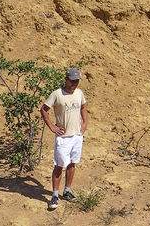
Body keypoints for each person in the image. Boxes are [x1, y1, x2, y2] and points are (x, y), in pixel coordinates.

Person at [40, 67, 88, 210]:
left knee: (72, 163)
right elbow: (44, 109)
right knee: (59, 165)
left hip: (77, 136)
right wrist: (52, 127)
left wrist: (84, 123)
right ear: (66, 79)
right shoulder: (57, 94)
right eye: (72, 81)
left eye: (77, 81)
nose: (74, 84)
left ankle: (67, 191)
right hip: (63, 138)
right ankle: (55, 195)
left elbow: (83, 107)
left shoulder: (79, 93)